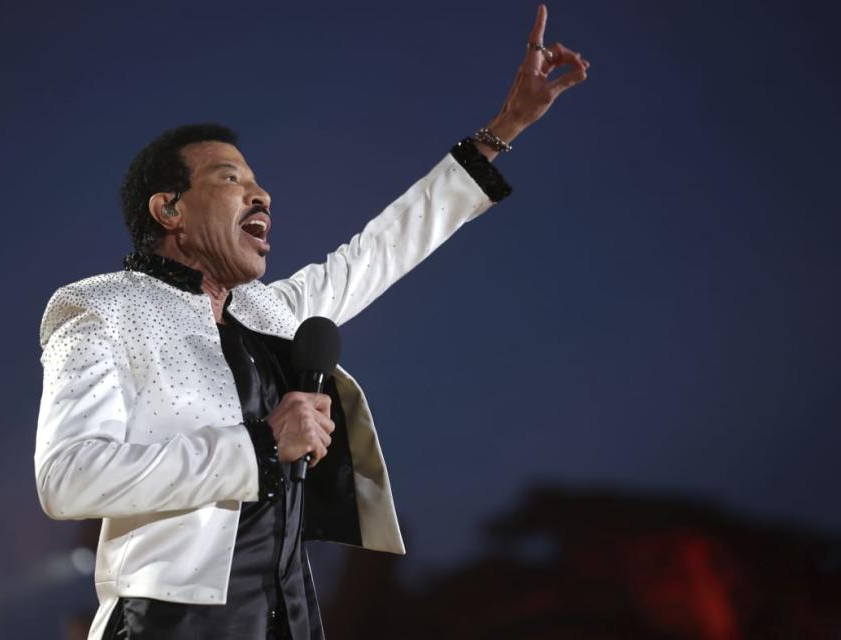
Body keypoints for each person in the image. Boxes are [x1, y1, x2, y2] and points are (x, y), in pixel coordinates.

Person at [34, 5, 589, 639]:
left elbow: (384, 247)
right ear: (169, 209)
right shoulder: (102, 307)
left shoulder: (273, 310)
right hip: (170, 622)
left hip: (290, 619)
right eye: (230, 177)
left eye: (259, 182)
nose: (260, 194)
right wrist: (261, 447)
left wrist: (503, 128)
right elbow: (67, 478)